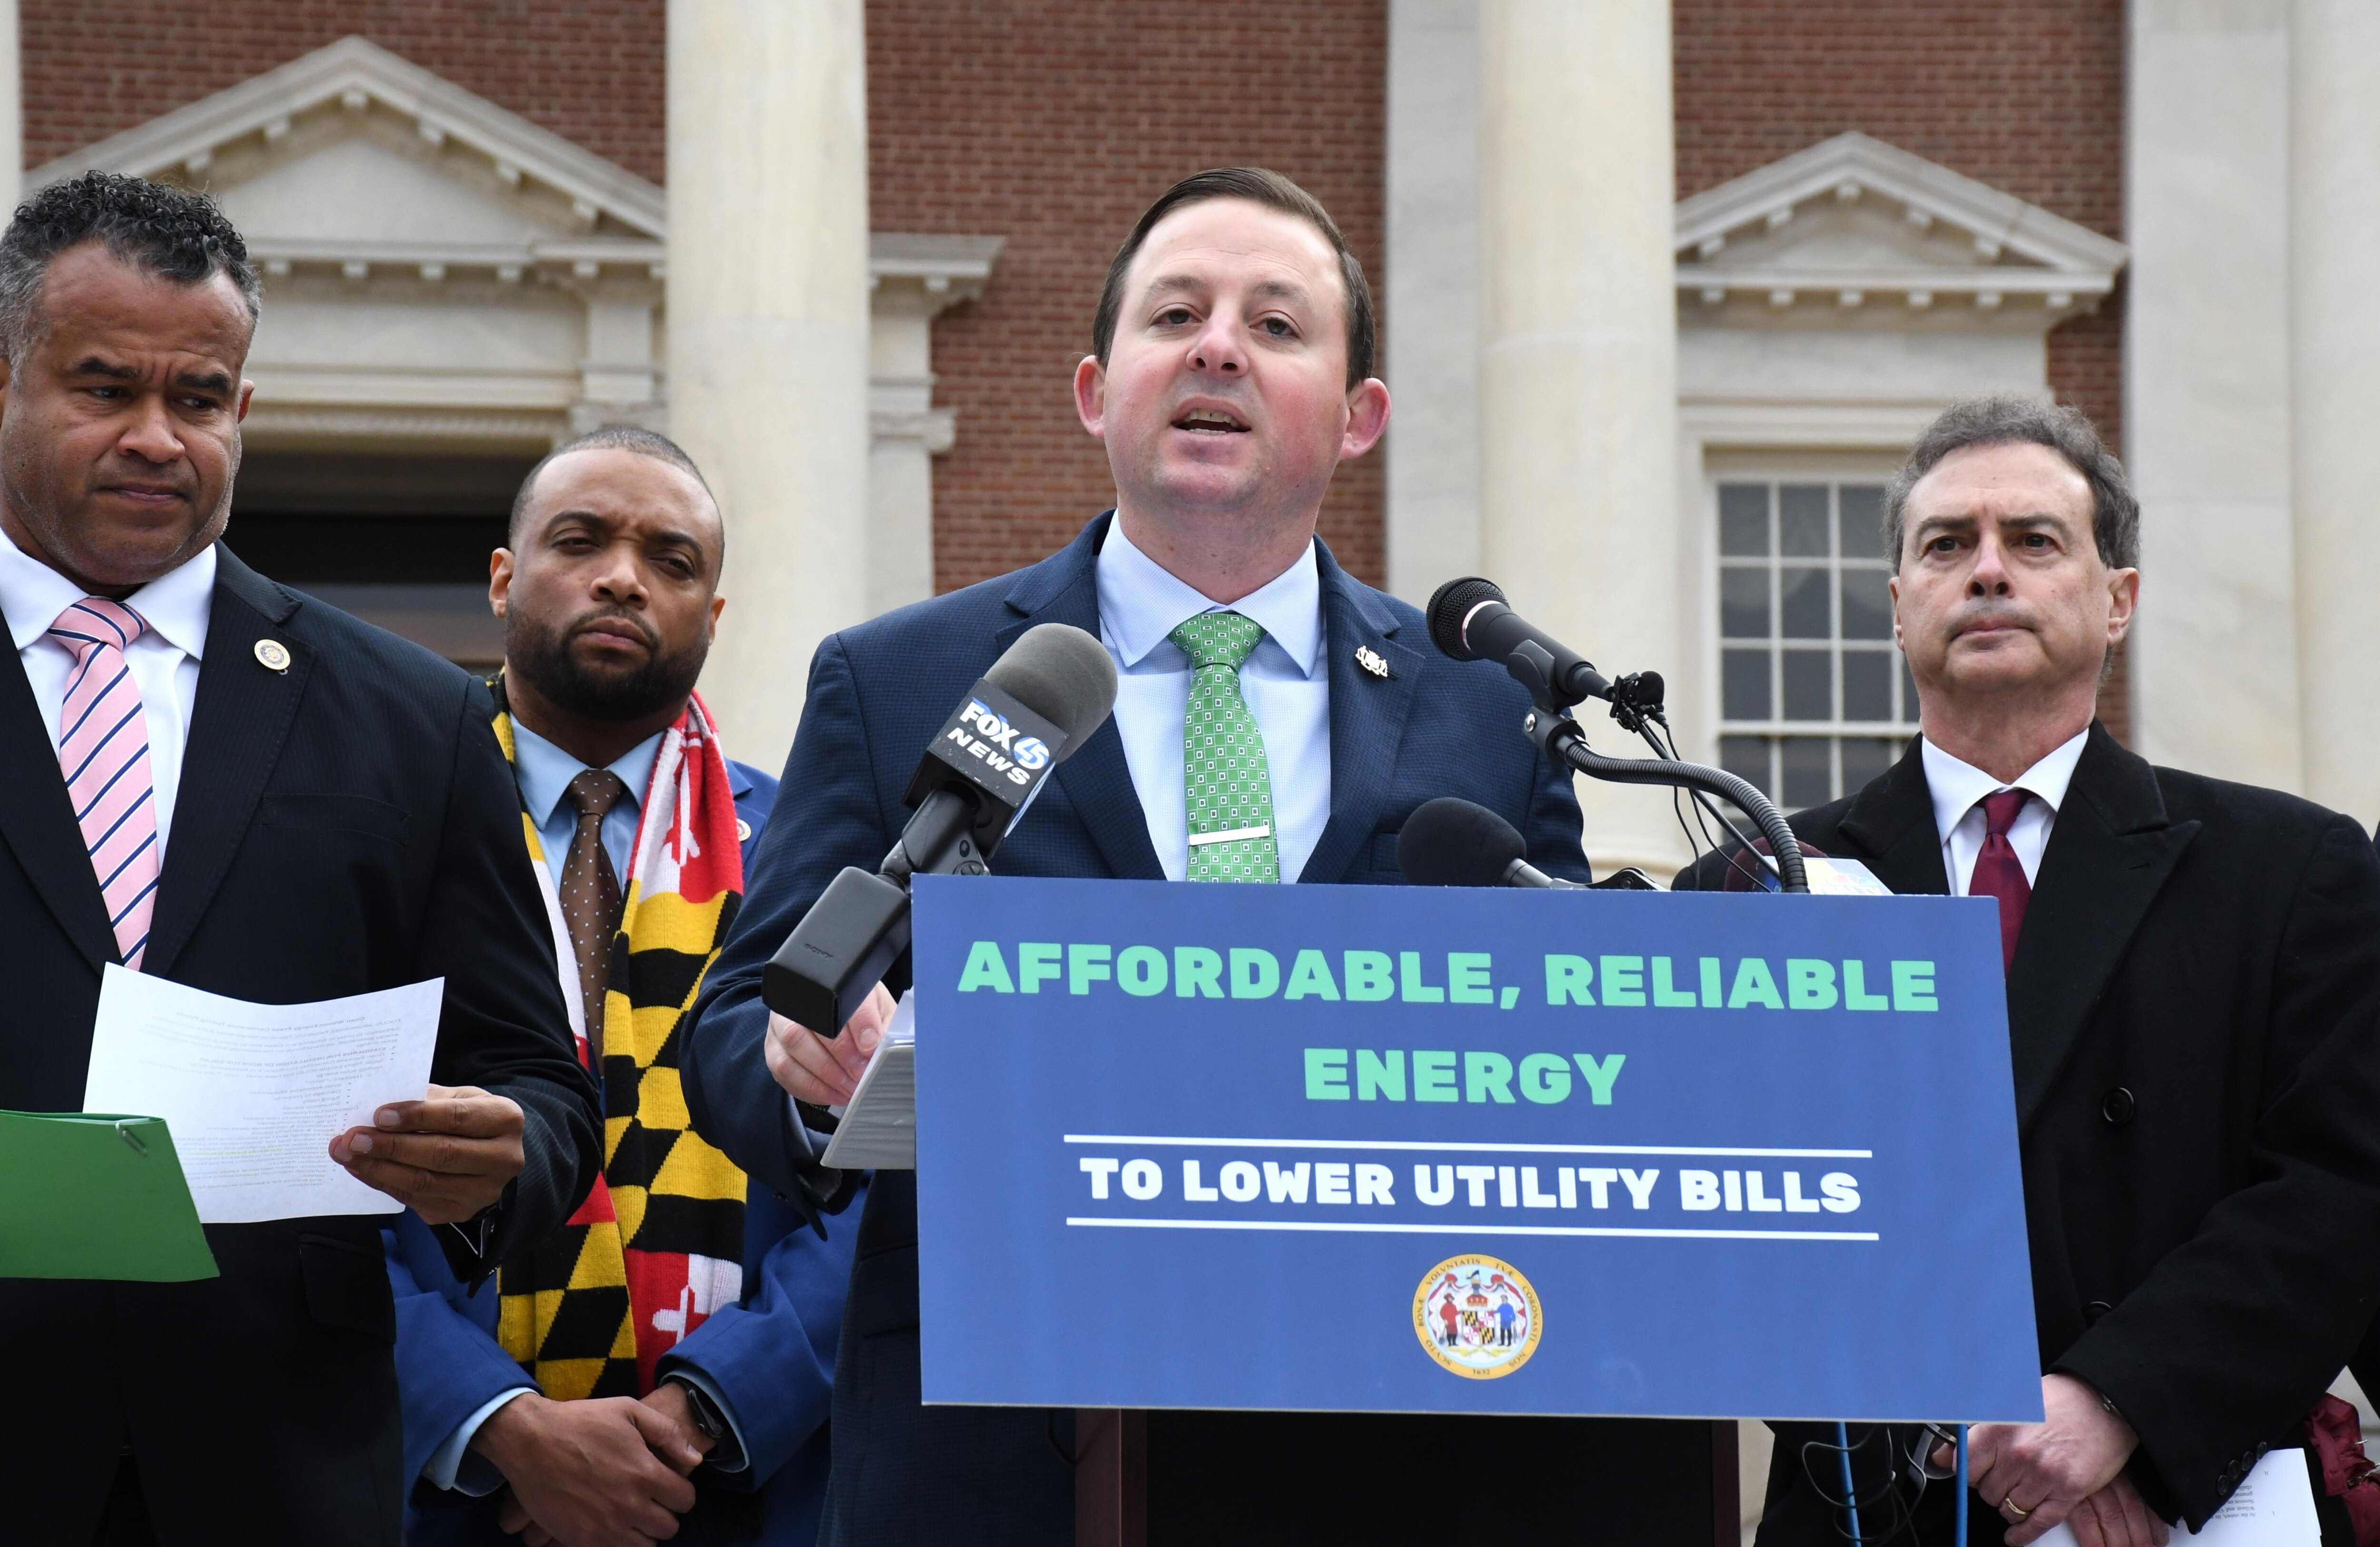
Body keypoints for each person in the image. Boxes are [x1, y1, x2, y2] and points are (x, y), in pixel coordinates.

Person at [684, 167, 1718, 1545]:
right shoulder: (902, 678)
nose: (1219, 347)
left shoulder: (1485, 711)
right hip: (1003, 1450)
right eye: (1176, 315)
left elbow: (1559, 1054)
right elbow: (736, 1023)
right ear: (1095, 390)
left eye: (1275, 325)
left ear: (1359, 418)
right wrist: (805, 1068)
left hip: (1398, 1434)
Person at [0, 175, 600, 1544]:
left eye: (201, 398)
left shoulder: (416, 717)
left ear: (245, 410)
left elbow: (542, 1088)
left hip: (275, 1464)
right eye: (106, 388)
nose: (158, 437)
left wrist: (501, 1155)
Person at [1678, 395, 2380, 1547]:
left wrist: (2120, 1401)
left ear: (2119, 600)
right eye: (1946, 543)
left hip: (2189, 1505)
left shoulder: (2290, 869)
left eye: (2034, 539)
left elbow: (2335, 1189)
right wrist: (1974, 1431)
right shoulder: (1753, 884)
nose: (1987, 569)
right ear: (1895, 604)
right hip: (1875, 1510)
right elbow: (1718, 1219)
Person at [387, 429, 864, 1547]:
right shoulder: (376, 833)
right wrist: (497, 1421)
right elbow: (300, 1160)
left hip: (741, 1488)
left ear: (714, 614)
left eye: (671, 560)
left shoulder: (822, 861)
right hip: (434, 1489)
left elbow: (881, 1180)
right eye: (581, 541)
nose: (623, 577)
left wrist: (704, 1411)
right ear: (502, 578)